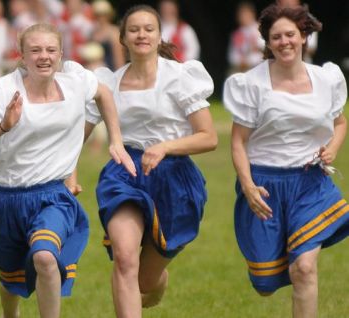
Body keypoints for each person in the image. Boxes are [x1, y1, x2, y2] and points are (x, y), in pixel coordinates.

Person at [0, 23, 135, 318]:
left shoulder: (75, 81)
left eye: (50, 50)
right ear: (22, 55)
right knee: (11, 280)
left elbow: (104, 95)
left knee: (45, 257)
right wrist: (3, 125)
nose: (44, 56)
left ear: (60, 54)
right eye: (35, 50)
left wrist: (116, 140)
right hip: (8, 199)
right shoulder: (4, 89)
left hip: (53, 196)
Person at [85, 5, 217, 316]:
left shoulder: (181, 77)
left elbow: (208, 137)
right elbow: (78, 134)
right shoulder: (108, 84)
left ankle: (156, 281)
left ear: (159, 37)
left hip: (174, 176)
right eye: (134, 30)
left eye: (148, 29)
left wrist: (166, 147)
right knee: (125, 259)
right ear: (123, 38)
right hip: (125, 172)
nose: (141, 34)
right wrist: (65, 171)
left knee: (144, 280)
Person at [223, 4, 347, 317]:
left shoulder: (325, 79)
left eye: (290, 34)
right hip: (265, 186)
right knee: (265, 282)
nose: (284, 42)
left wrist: (332, 148)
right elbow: (238, 141)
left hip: (310, 183)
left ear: (303, 36)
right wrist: (248, 185)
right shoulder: (252, 84)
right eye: (276, 37)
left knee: (304, 268)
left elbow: (340, 122)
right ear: (268, 42)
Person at [228, 2, 264, 74]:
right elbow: (232, 56)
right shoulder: (236, 34)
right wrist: (241, 62)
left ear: (252, 14)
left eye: (246, 14)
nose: (243, 17)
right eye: (241, 15)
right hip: (242, 71)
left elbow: (265, 49)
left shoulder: (260, 29)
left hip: (259, 69)